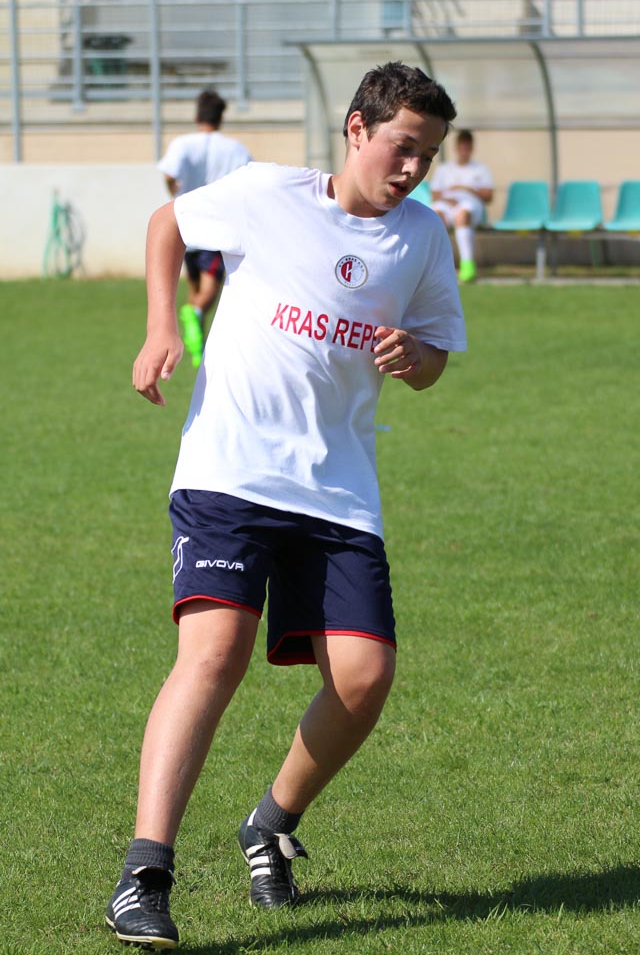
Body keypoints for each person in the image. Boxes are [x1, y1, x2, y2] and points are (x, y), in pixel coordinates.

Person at [105, 61, 466, 951]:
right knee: (215, 653)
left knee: (364, 677)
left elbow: (435, 359)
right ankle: (144, 875)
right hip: (229, 470)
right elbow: (166, 222)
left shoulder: (422, 237)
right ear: (357, 129)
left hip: (338, 488)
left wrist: (412, 358)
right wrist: (162, 326)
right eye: (402, 147)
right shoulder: (269, 193)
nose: (413, 169)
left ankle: (269, 823)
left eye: (427, 156)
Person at [157, 88, 251, 367]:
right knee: (209, 291)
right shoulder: (235, 149)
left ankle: (197, 349)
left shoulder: (182, 144)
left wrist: (174, 192)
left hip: (188, 227)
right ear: (221, 117)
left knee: (195, 286)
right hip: (217, 229)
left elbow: (169, 173)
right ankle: (196, 316)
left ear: (197, 115)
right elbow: (249, 181)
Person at [430, 128, 494, 283]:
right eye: (462, 146)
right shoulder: (444, 169)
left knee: (462, 215)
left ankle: (467, 265)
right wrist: (448, 199)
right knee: (436, 216)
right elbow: (435, 194)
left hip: (470, 205)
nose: (464, 150)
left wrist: (468, 189)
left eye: (467, 146)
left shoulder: (480, 169)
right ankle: (437, 266)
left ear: (471, 148)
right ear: (457, 147)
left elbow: (488, 196)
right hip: (446, 204)